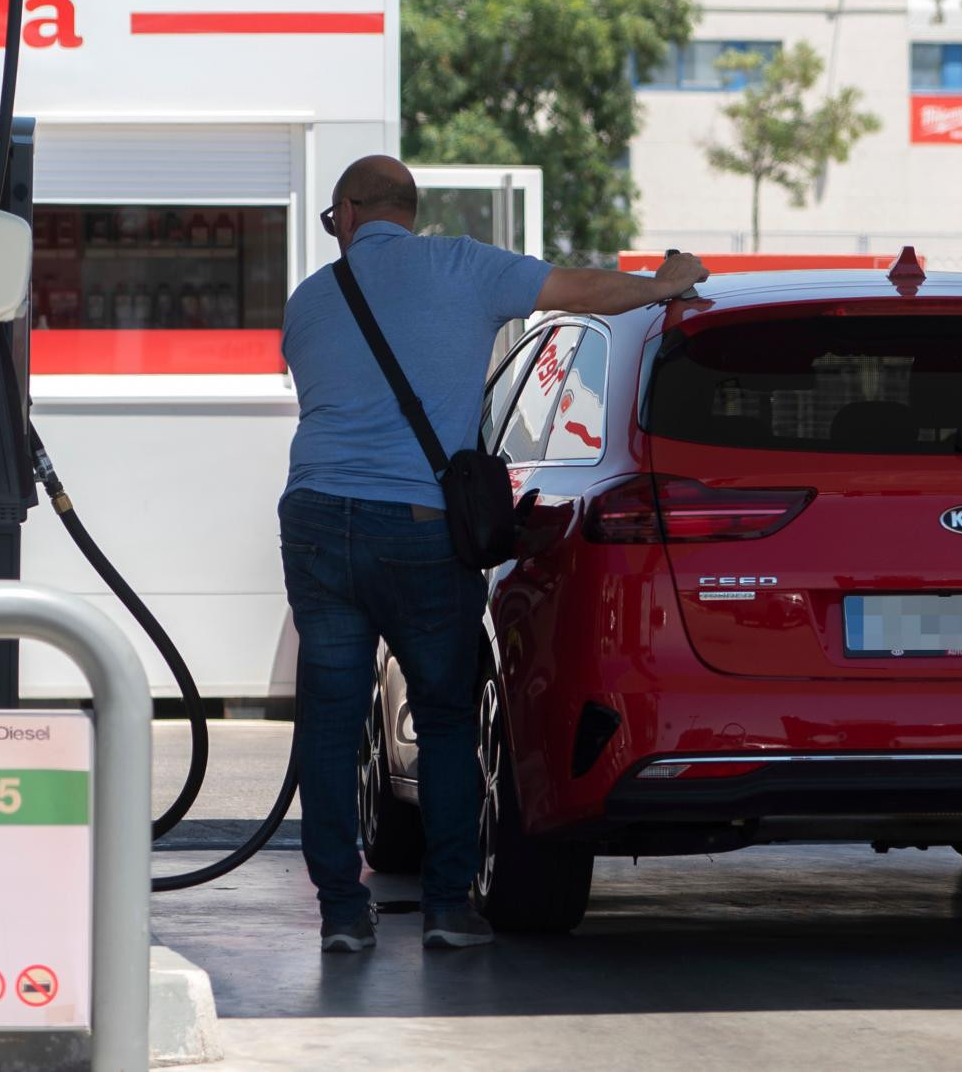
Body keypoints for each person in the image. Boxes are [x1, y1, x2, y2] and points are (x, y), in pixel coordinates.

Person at [278, 155, 709, 953]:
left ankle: (342, 913)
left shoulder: (310, 300)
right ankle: (446, 908)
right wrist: (663, 281)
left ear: (346, 211)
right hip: (416, 525)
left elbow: (320, 396)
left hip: (315, 522)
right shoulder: (462, 265)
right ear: (410, 209)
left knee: (332, 721)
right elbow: (583, 292)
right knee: (445, 720)